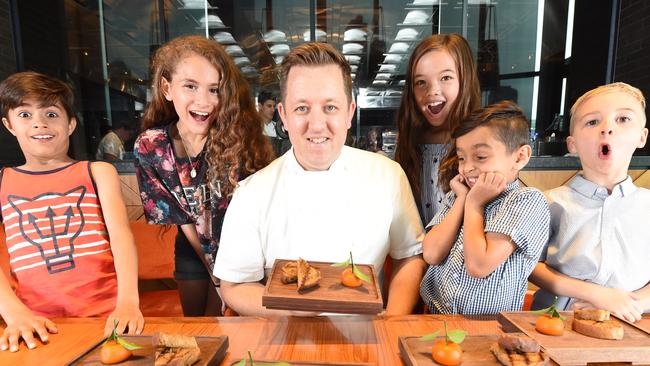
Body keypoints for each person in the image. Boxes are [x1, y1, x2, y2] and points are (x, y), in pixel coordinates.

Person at [213, 42, 426, 316]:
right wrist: (303, 312)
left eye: (330, 107)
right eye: (302, 108)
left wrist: (393, 320)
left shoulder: (387, 176)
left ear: (349, 113)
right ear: (284, 116)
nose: (316, 124)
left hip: (367, 340)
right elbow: (235, 286)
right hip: (283, 342)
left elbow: (409, 256)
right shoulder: (252, 193)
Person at [0, 72, 143, 352]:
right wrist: (12, 312)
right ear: (9, 125)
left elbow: (122, 237)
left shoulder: (97, 172)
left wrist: (128, 302)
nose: (39, 122)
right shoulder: (2, 181)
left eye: (51, 114)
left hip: (104, 314)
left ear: (71, 124)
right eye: (25, 115)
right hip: (33, 322)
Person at [134, 35, 273, 316]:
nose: (204, 101)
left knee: (237, 328)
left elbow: (260, 210)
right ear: (167, 88)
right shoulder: (150, 146)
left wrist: (232, 281)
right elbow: (183, 219)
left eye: (214, 89)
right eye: (190, 86)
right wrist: (217, 278)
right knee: (201, 328)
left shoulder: (240, 138)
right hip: (194, 249)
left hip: (243, 248)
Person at [530, 82, 650, 322]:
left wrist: (635, 302)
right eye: (592, 122)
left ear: (642, 136)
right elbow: (531, 266)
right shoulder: (548, 202)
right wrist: (596, 294)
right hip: (556, 320)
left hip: (635, 321)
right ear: (572, 144)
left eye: (623, 119)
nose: (607, 129)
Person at [420, 100, 550, 314]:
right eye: (461, 157)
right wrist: (462, 200)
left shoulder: (525, 201)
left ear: (520, 157)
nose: (467, 167)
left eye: (480, 157)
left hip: (488, 326)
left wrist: (474, 205)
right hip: (435, 317)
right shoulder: (458, 196)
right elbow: (431, 254)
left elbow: (479, 265)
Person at [395, 34, 481, 226]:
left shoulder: (484, 143)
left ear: (465, 80)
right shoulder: (410, 141)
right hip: (415, 252)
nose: (432, 91)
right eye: (420, 82)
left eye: (446, 78)